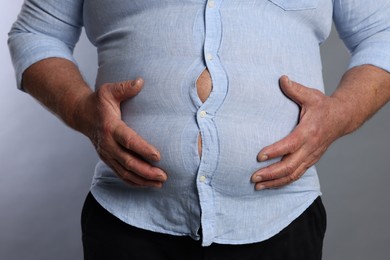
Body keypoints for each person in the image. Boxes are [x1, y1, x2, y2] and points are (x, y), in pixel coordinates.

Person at [8, 0, 390, 259]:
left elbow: (383, 34)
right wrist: (80, 110)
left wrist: (339, 114)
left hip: (281, 220)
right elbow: (35, 33)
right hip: (129, 222)